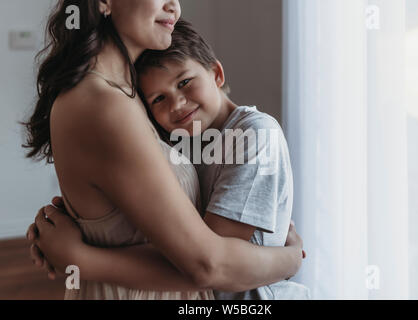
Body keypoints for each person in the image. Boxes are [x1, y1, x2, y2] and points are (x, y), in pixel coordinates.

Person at [24, 0, 304, 300]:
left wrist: (82, 247)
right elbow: (208, 266)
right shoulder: (104, 104)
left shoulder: (124, 92)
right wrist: (289, 259)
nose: (175, 6)